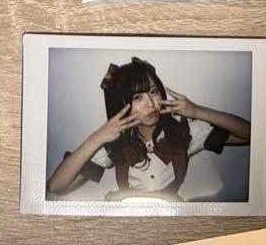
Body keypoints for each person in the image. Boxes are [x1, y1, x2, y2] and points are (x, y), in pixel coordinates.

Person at [46, 56, 249, 200]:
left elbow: (248, 134)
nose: (151, 104)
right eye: (137, 97)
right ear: (122, 104)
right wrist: (97, 138)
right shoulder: (115, 143)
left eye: (153, 91)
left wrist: (197, 111)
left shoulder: (184, 132)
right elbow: (56, 187)